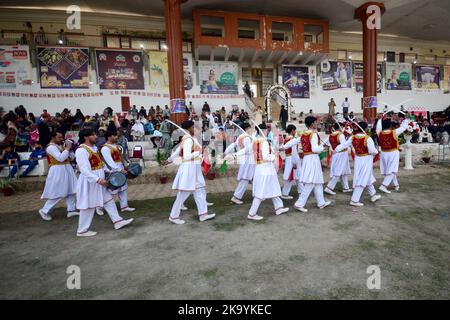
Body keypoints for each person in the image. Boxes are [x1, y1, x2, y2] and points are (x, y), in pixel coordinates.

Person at [75, 127, 133, 237]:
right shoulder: (81, 150)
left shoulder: (95, 148)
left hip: (100, 180)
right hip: (90, 182)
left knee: (108, 200)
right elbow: (84, 170)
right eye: (93, 135)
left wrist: (109, 172)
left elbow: (100, 165)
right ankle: (82, 230)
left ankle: (117, 221)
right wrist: (98, 180)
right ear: (85, 137)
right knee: (88, 205)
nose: (96, 136)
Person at [229, 127, 289, 220]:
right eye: (266, 130)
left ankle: (279, 207)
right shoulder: (264, 142)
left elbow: (245, 150)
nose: (268, 132)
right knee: (260, 192)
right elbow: (265, 157)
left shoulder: (255, 141)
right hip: (265, 168)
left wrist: (234, 155)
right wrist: (273, 156)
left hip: (261, 169)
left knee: (274, 187)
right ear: (264, 131)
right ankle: (252, 213)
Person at [165, 120, 216, 225]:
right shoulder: (188, 139)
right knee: (183, 193)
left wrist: (169, 159)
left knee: (200, 189)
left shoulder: (189, 139)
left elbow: (177, 151)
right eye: (193, 127)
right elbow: (186, 155)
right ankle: (173, 216)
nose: (195, 129)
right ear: (189, 128)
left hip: (194, 167)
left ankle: (203, 214)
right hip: (189, 167)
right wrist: (198, 152)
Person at [282, 116, 331, 212]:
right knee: (310, 182)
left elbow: (293, 141)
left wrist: (283, 146)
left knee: (317, 182)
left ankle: (321, 202)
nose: (317, 124)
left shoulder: (304, 134)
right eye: (316, 122)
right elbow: (315, 149)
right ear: (312, 124)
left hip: (309, 159)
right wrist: (323, 148)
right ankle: (299, 203)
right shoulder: (313, 134)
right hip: (312, 159)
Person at [334, 122, 382, 206]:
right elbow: (373, 151)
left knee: (367, 177)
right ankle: (354, 200)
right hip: (366, 160)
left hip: (358, 160)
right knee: (362, 178)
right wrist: (377, 151)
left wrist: (337, 149)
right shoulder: (368, 138)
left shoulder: (353, 137)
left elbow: (344, 145)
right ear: (365, 128)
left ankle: (373, 194)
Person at [38, 131, 79, 220]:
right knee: (58, 191)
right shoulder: (51, 147)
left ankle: (71, 210)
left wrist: (70, 149)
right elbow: (60, 158)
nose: (61, 139)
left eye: (62, 137)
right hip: (58, 170)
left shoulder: (60, 146)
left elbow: (71, 158)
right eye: (59, 137)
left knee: (71, 189)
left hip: (67, 169)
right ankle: (44, 210)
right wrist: (67, 149)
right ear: (53, 137)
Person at [101, 130, 135, 213]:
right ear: (109, 137)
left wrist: (125, 166)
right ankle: (100, 207)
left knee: (122, 188)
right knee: (111, 190)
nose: (116, 137)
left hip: (120, 168)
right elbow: (109, 161)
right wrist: (119, 170)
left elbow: (120, 158)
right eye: (114, 135)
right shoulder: (105, 148)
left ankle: (124, 206)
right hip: (112, 171)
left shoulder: (115, 146)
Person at [376, 114, 409, 193]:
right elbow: (403, 127)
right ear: (390, 125)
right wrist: (406, 119)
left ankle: (396, 185)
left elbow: (378, 127)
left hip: (384, 153)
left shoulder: (379, 132)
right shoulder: (394, 132)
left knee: (389, 170)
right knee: (392, 170)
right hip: (393, 153)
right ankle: (384, 186)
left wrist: (380, 119)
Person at [224, 123, 255, 205]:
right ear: (247, 128)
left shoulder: (241, 137)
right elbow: (248, 150)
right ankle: (236, 197)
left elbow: (233, 145)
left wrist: (226, 152)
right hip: (248, 159)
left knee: (253, 177)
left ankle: (257, 195)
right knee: (245, 178)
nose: (251, 130)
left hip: (245, 159)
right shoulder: (247, 137)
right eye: (250, 128)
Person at [324, 123, 352, 195]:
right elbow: (344, 145)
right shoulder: (341, 135)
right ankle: (329, 187)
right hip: (341, 154)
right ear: (341, 127)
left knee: (343, 170)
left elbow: (327, 144)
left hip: (336, 154)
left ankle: (346, 187)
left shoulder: (331, 135)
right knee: (338, 171)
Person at [281, 125, 301, 199]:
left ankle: (300, 191)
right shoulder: (292, 139)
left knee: (295, 176)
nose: (295, 132)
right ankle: (285, 193)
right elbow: (294, 151)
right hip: (293, 158)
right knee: (293, 176)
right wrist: (294, 162)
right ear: (292, 130)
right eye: (294, 130)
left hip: (288, 158)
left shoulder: (286, 138)